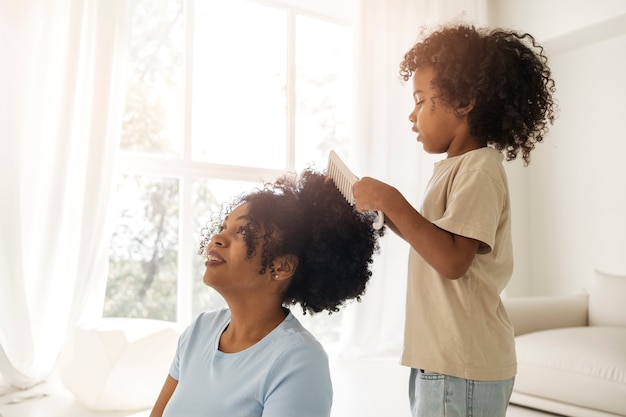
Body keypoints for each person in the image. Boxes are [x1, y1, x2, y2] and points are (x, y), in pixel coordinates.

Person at [352, 24, 556, 417]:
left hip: (460, 362)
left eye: (421, 99)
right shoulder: (456, 168)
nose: (412, 115)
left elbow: (452, 261)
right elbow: (434, 241)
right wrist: (384, 211)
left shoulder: (479, 169)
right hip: (444, 358)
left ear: (464, 102)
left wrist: (393, 201)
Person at [149, 168, 384, 417]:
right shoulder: (199, 331)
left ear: (282, 267)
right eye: (223, 226)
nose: (217, 238)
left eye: (242, 232)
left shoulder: (299, 360)